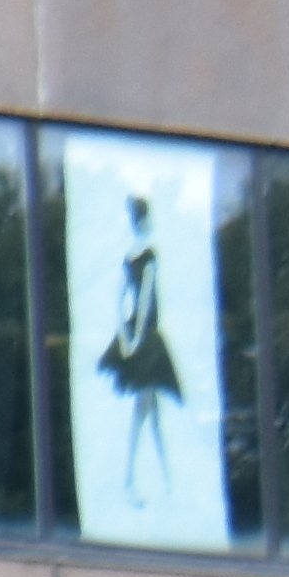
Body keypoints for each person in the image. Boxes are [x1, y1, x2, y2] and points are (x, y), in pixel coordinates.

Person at [95, 188, 186, 503]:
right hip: (146, 337)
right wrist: (133, 340)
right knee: (143, 409)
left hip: (137, 334)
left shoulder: (129, 257)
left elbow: (120, 300)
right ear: (143, 220)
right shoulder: (148, 255)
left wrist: (124, 333)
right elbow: (145, 299)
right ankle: (132, 482)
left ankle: (164, 480)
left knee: (151, 410)